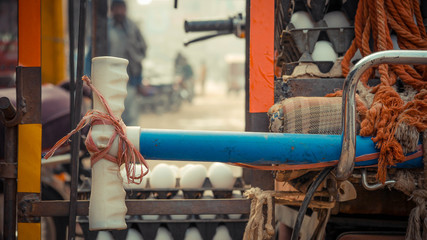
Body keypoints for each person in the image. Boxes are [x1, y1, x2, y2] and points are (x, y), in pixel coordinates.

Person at [108, 0, 147, 125]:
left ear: (125, 10)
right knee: (110, 118)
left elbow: (142, 50)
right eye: (116, 8)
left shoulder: (133, 28)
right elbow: (92, 54)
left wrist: (138, 80)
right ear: (112, 10)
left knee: (130, 118)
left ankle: (130, 144)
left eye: (122, 8)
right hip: (109, 82)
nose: (119, 12)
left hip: (129, 81)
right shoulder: (105, 28)